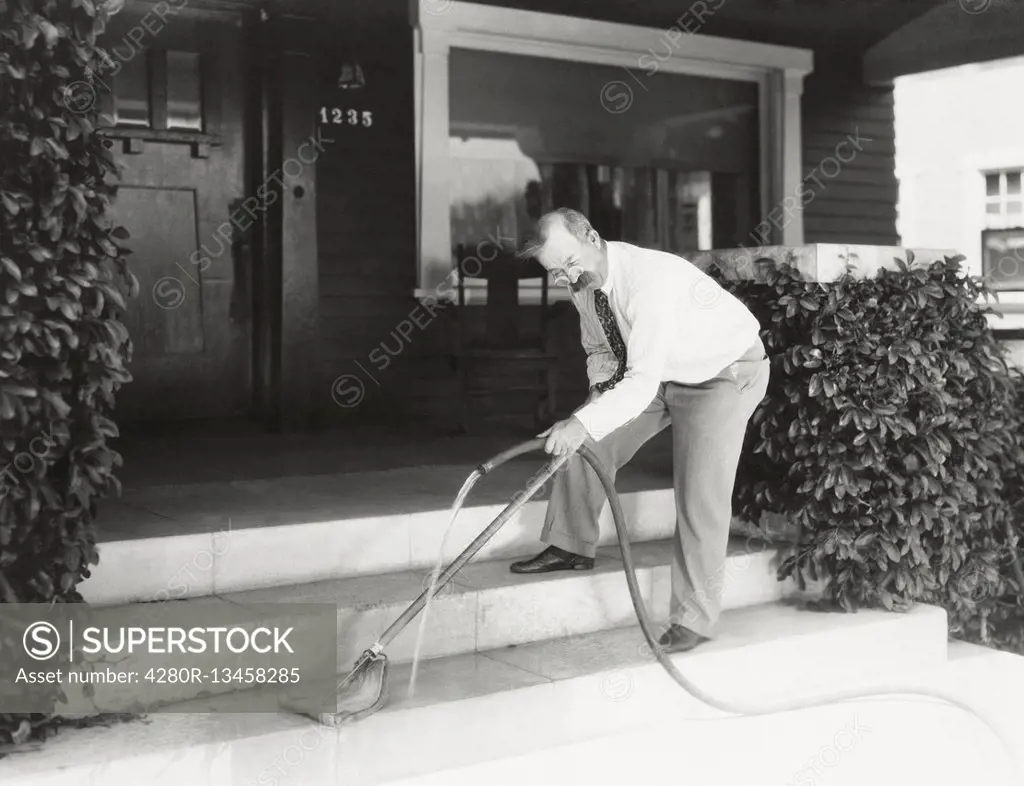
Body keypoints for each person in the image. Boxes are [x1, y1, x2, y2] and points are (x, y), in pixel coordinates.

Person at [509, 208, 770, 654]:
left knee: (699, 493)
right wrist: (593, 410)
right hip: (659, 371)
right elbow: (600, 349)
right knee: (587, 441)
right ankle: (571, 545)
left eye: (569, 263)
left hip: (721, 372)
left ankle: (694, 619)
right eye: (555, 271)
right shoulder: (583, 282)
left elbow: (642, 380)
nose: (566, 276)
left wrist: (583, 420)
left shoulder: (649, 280)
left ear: (592, 237)